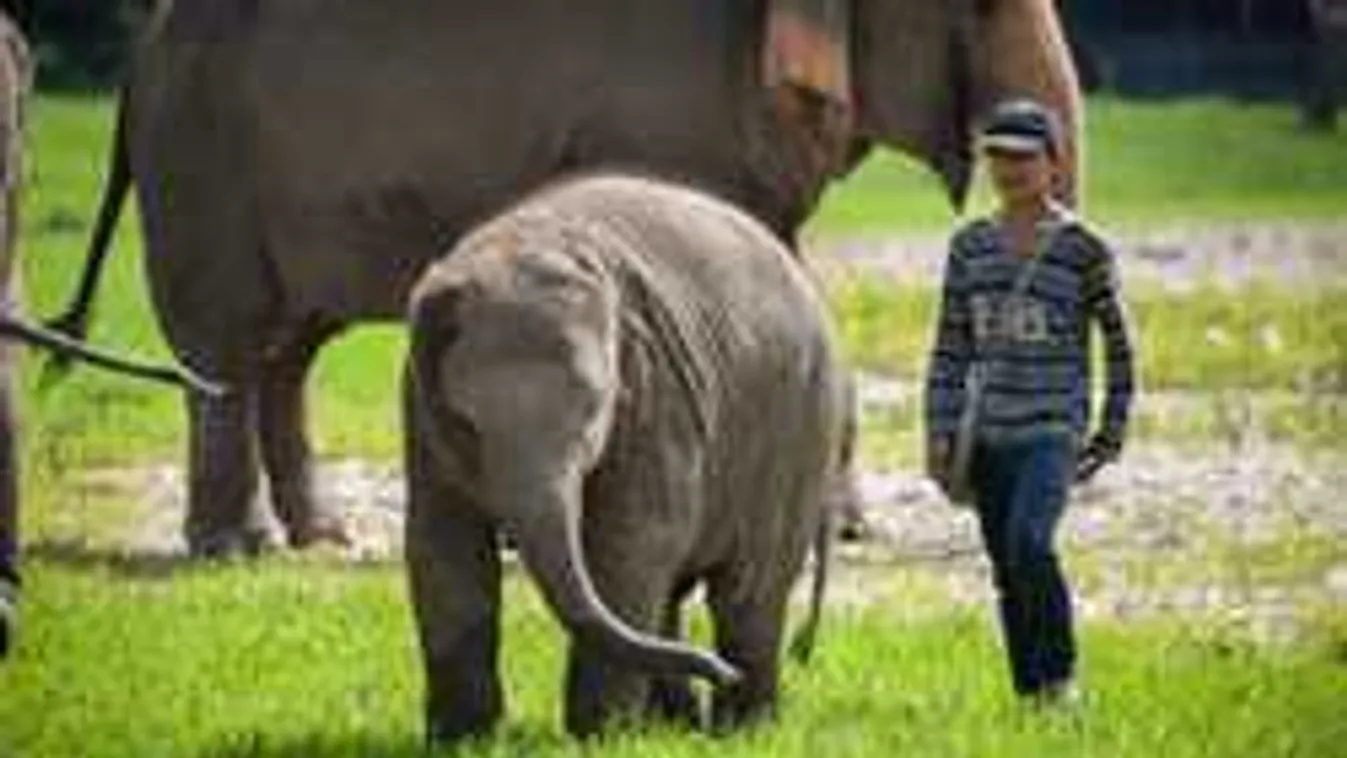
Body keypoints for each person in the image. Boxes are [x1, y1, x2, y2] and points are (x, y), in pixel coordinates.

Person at [923, 99, 1135, 704]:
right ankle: (1031, 693)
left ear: (1053, 163)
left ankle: (1062, 677)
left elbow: (1120, 348)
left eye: (1022, 157)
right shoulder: (969, 247)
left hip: (1052, 430)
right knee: (1005, 570)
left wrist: (1109, 433)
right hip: (987, 433)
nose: (1009, 169)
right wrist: (938, 430)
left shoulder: (1082, 248)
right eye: (998, 157)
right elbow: (949, 349)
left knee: (1031, 545)